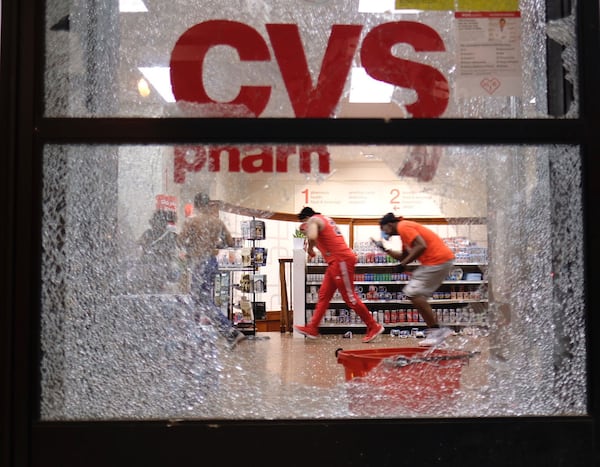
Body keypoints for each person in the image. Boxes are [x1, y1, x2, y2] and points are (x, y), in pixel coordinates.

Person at [293, 207, 384, 343]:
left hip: (341, 261)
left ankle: (373, 326)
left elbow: (312, 236)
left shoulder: (313, 220)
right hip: (335, 261)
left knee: (350, 298)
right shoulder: (326, 219)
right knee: (324, 295)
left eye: (303, 223)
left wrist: (310, 250)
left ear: (305, 218)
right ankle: (312, 327)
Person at [377, 212, 455, 346]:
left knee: (413, 292)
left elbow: (421, 245)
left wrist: (403, 265)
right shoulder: (404, 234)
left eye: (383, 229)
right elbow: (403, 256)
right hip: (439, 261)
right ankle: (436, 334)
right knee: (414, 294)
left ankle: (437, 332)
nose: (384, 233)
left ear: (389, 225)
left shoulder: (403, 226)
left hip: (437, 260)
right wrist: (386, 249)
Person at [178, 192, 245, 348]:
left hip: (198, 262)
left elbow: (180, 240)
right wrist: (214, 244)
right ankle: (194, 333)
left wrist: (190, 248)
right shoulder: (217, 222)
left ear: (196, 205)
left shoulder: (192, 222)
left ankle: (229, 331)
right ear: (208, 205)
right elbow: (229, 242)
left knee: (201, 298)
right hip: (212, 262)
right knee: (199, 297)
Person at [137, 209, 182, 293]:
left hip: (148, 267)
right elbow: (179, 247)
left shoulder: (147, 233)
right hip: (164, 267)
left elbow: (139, 246)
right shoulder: (172, 235)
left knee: (148, 289)